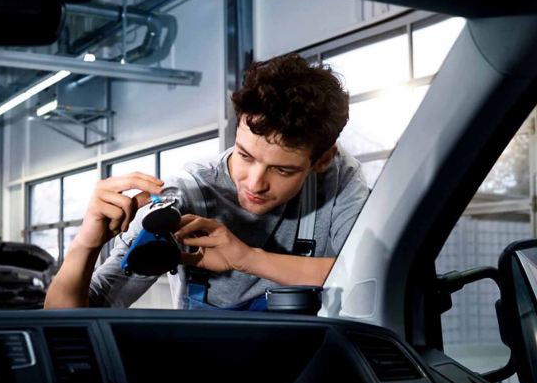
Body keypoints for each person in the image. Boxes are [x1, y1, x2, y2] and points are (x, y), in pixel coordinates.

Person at [44, 53, 369, 310]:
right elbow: (69, 319)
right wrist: (84, 246)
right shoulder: (183, 198)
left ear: (322, 159)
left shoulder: (339, 178)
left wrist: (247, 259)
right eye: (245, 155)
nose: (255, 183)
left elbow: (371, 275)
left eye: (282, 171)